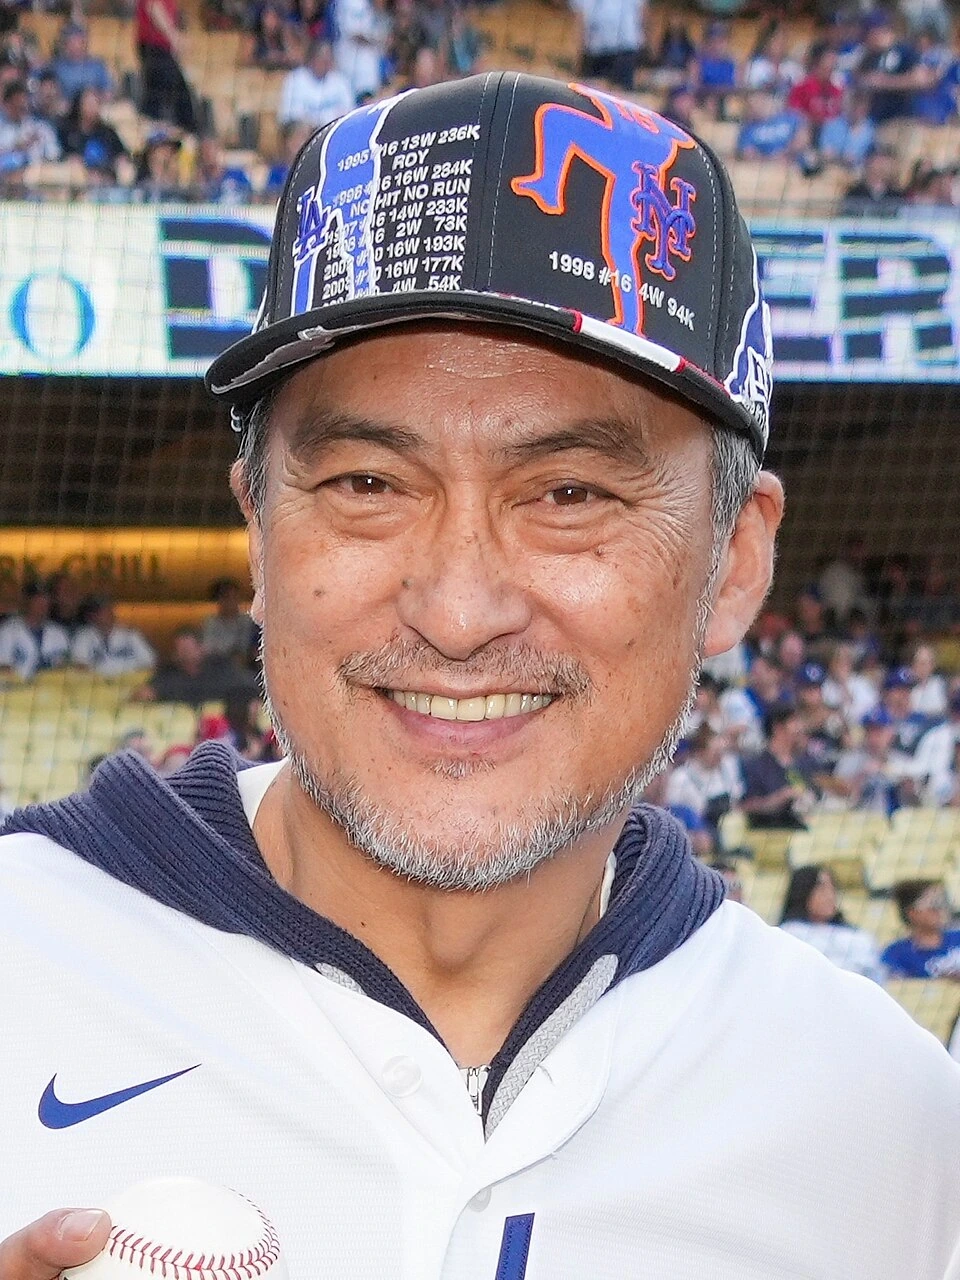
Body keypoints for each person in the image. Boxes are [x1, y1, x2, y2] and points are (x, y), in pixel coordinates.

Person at [1, 74, 959, 1280]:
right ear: (257, 535)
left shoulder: (891, 1127)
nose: (457, 610)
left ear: (735, 564)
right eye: (367, 485)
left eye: (569, 495)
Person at [779, 865, 886, 982]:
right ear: (803, 891)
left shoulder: (858, 937)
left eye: (832, 888)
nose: (830, 896)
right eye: (822, 888)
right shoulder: (789, 933)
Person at [741, 703, 819, 829]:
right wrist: (781, 798)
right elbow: (746, 806)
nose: (799, 728)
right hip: (771, 833)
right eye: (794, 722)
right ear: (778, 728)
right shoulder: (756, 766)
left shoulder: (806, 763)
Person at [139, 626, 257, 704]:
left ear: (201, 648)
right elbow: (145, 693)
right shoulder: (169, 672)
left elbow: (250, 685)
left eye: (187, 649)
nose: (184, 654)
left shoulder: (220, 666)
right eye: (180, 650)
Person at [135, 0, 198, 134]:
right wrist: (173, 37)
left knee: (171, 97)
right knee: (170, 98)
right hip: (154, 45)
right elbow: (153, 7)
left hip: (160, 47)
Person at [883, 879, 960, 978]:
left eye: (943, 904)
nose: (940, 911)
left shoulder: (957, 937)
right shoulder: (896, 953)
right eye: (933, 906)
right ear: (912, 913)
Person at [57, 87, 130, 185]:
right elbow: (66, 157)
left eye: (97, 103)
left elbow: (121, 155)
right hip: (80, 178)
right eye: (90, 104)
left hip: (107, 176)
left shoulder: (108, 132)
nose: (94, 107)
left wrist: (113, 169)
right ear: (80, 106)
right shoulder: (68, 132)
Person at [0, 581, 70, 680]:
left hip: (53, 689)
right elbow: (3, 667)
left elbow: (66, 666)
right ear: (27, 601)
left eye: (46, 600)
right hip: (17, 690)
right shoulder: (7, 631)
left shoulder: (59, 632)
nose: (43, 604)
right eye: (37, 600)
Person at [69, 598, 156, 677]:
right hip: (97, 685)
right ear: (91, 616)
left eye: (107, 610)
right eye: (100, 611)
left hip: (130, 682)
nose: (105, 614)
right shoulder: (83, 635)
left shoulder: (131, 634)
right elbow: (79, 664)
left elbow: (149, 662)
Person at [278, 39, 354, 128]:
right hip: (304, 130)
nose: (325, 64)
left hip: (331, 128)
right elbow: (290, 114)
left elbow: (349, 111)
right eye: (322, 60)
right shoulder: (296, 79)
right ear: (312, 59)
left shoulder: (340, 81)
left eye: (328, 60)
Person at [49, 23, 112, 104]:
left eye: (79, 41)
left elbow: (108, 93)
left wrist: (94, 101)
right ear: (65, 44)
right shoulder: (57, 67)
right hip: (64, 112)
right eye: (72, 42)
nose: (76, 46)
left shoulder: (97, 66)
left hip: (93, 109)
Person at [201, 577, 257, 665]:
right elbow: (208, 650)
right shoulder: (210, 623)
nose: (232, 602)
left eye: (235, 597)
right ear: (219, 601)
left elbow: (246, 651)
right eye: (227, 598)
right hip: (215, 667)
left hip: (244, 669)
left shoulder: (247, 621)